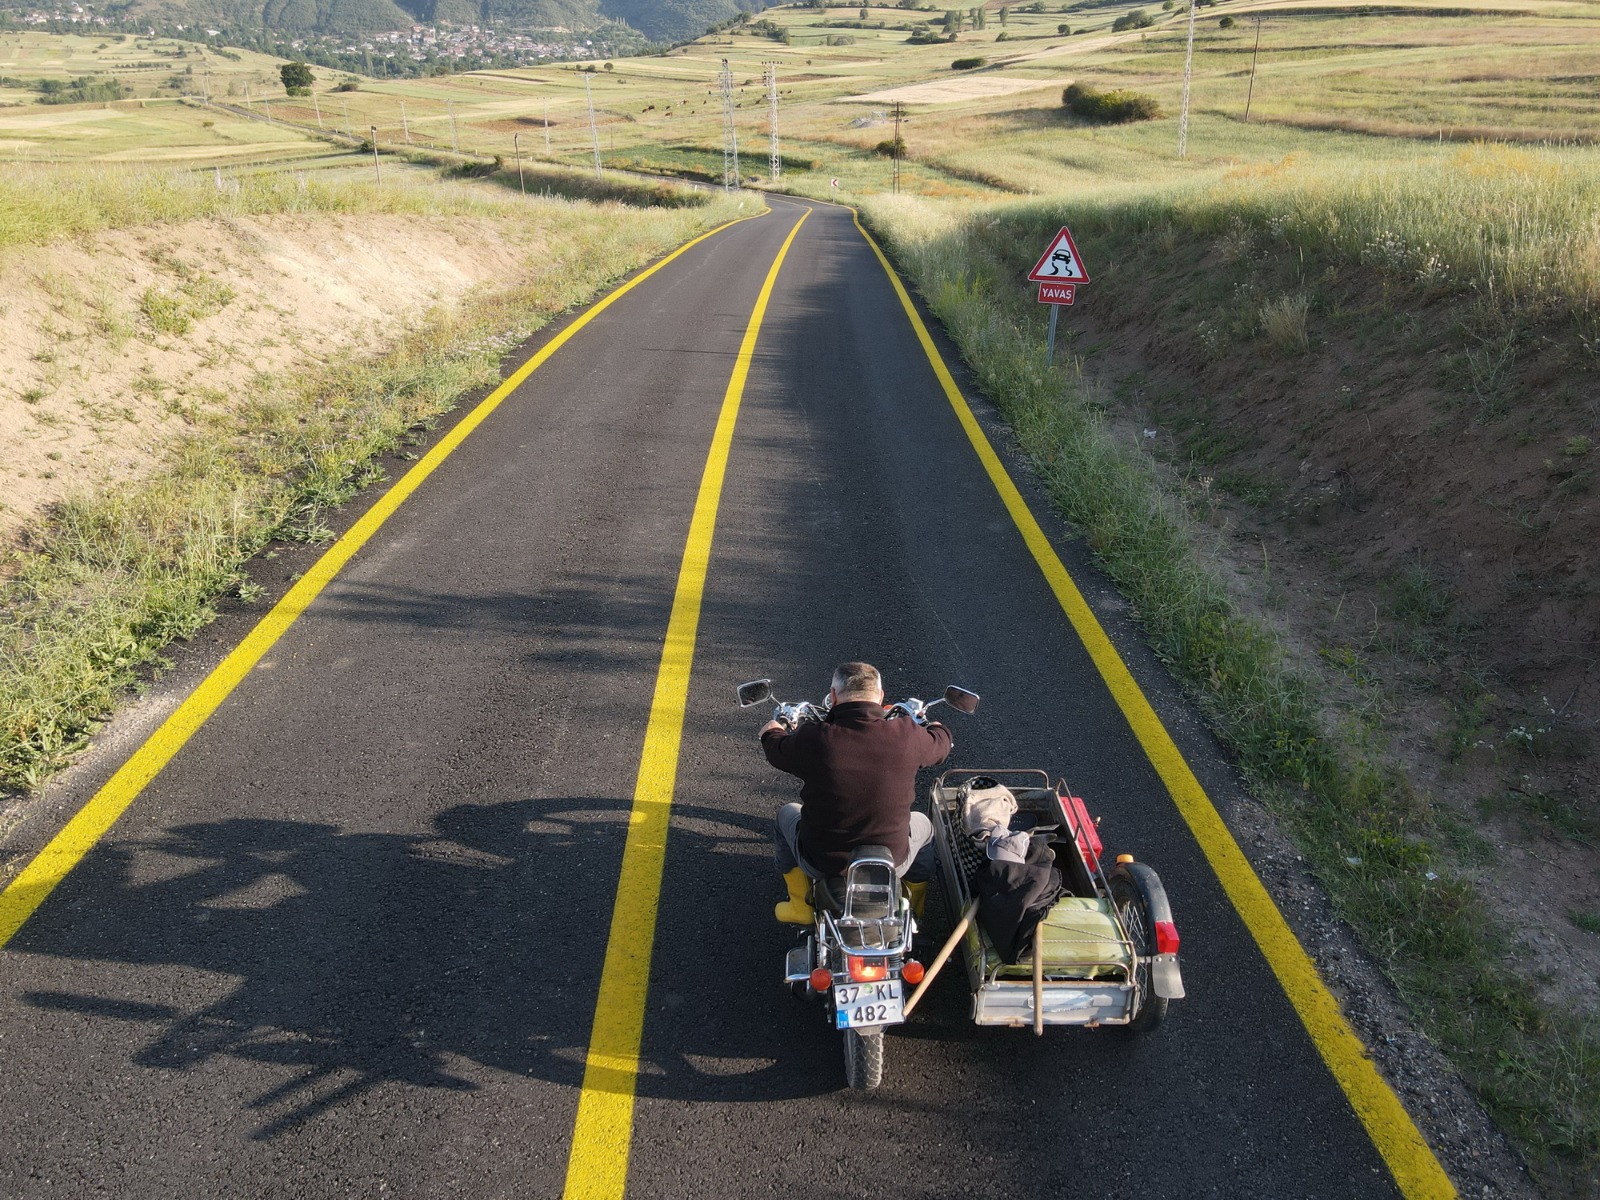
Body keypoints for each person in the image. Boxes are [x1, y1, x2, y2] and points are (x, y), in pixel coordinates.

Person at [760, 661, 953, 924]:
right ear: (881, 697)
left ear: (834, 696)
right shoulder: (907, 735)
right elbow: (942, 743)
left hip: (822, 861)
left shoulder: (815, 738)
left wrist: (773, 729)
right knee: (925, 826)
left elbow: (775, 749)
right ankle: (915, 907)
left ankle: (799, 906)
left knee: (786, 814)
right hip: (892, 861)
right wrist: (931, 723)